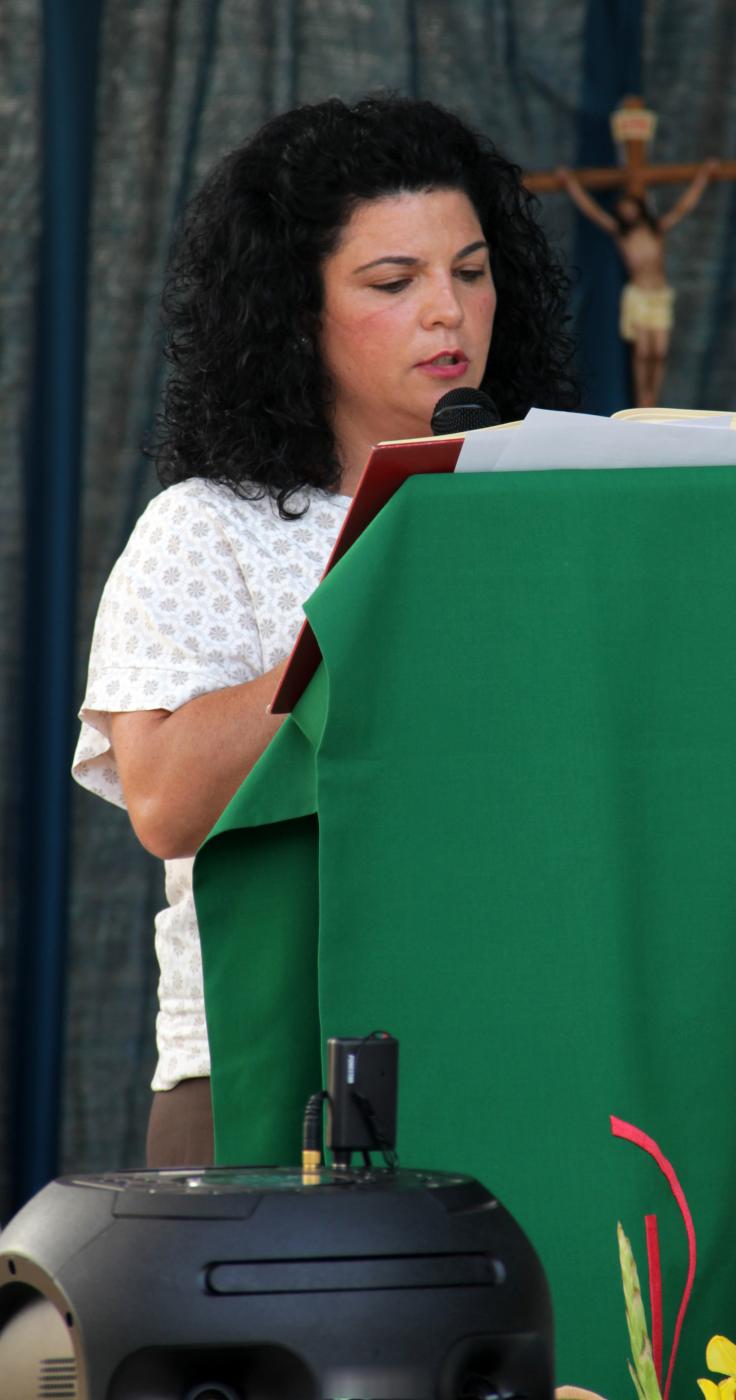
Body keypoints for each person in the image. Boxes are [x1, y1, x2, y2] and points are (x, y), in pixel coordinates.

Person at [72, 93, 579, 1168]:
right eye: (395, 282)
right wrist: (379, 608)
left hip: (513, 1054)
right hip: (267, 1081)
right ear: (296, 313)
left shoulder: (547, 517)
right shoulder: (209, 530)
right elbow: (162, 797)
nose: (449, 311)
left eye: (472, 271)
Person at [558, 161, 718, 408]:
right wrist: (572, 185)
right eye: (623, 210)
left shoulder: (656, 230)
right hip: (640, 296)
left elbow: (684, 206)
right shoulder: (623, 235)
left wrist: (703, 177)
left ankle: (653, 396)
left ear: (638, 207)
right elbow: (592, 211)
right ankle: (644, 398)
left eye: (630, 207)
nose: (627, 213)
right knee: (643, 352)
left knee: (660, 352)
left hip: (659, 295)